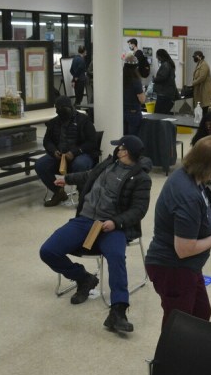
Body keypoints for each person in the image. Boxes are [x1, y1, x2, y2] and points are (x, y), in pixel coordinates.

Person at [39, 135, 152, 333]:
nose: (117, 150)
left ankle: (118, 310)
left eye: (120, 147)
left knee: (116, 257)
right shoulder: (109, 164)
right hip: (85, 219)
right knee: (48, 251)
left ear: (126, 151)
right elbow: (88, 175)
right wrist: (66, 179)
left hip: (112, 225)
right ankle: (83, 278)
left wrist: (115, 222)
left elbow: (139, 210)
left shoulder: (141, 178)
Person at [145, 135, 211, 326]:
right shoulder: (188, 195)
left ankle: (188, 354)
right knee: (179, 323)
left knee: (201, 313)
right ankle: (167, 357)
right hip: (173, 267)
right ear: (210, 165)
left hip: (187, 267)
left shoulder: (189, 175)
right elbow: (184, 249)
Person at [35, 95, 97, 207]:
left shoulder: (83, 120)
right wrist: (53, 151)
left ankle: (83, 196)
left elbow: (92, 142)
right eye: (58, 109)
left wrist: (75, 152)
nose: (59, 112)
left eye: (63, 109)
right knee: (40, 164)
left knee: (80, 164)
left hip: (80, 155)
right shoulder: (54, 122)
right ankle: (59, 192)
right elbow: (47, 141)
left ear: (70, 107)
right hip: (59, 156)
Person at [122, 54, 145, 136]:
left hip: (122, 111)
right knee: (133, 139)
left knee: (123, 137)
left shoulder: (120, 79)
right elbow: (142, 100)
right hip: (133, 113)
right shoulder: (136, 81)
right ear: (136, 67)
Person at [152, 48, 178, 114]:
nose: (157, 58)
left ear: (160, 56)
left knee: (158, 114)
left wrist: (154, 79)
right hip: (168, 93)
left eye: (157, 56)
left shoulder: (165, 65)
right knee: (164, 114)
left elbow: (162, 77)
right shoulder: (170, 64)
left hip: (164, 94)